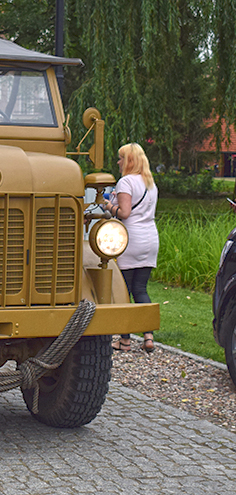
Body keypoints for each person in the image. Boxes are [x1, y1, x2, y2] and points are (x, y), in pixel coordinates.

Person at [104, 142, 159, 353]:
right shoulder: (150, 183)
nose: (118, 162)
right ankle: (148, 336)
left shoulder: (126, 182)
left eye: (121, 158)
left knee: (124, 292)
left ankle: (125, 341)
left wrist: (107, 205)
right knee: (141, 288)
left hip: (131, 239)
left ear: (129, 160)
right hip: (150, 238)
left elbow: (125, 213)